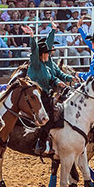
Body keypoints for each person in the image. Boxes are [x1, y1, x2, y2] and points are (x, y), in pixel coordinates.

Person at [22, 23, 76, 156]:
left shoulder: (47, 65)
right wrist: (32, 36)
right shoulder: (35, 64)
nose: (50, 53)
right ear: (42, 54)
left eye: (49, 51)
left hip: (45, 93)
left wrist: (65, 80)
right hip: (36, 95)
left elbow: (54, 77)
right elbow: (34, 50)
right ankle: (41, 142)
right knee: (49, 115)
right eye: (47, 52)